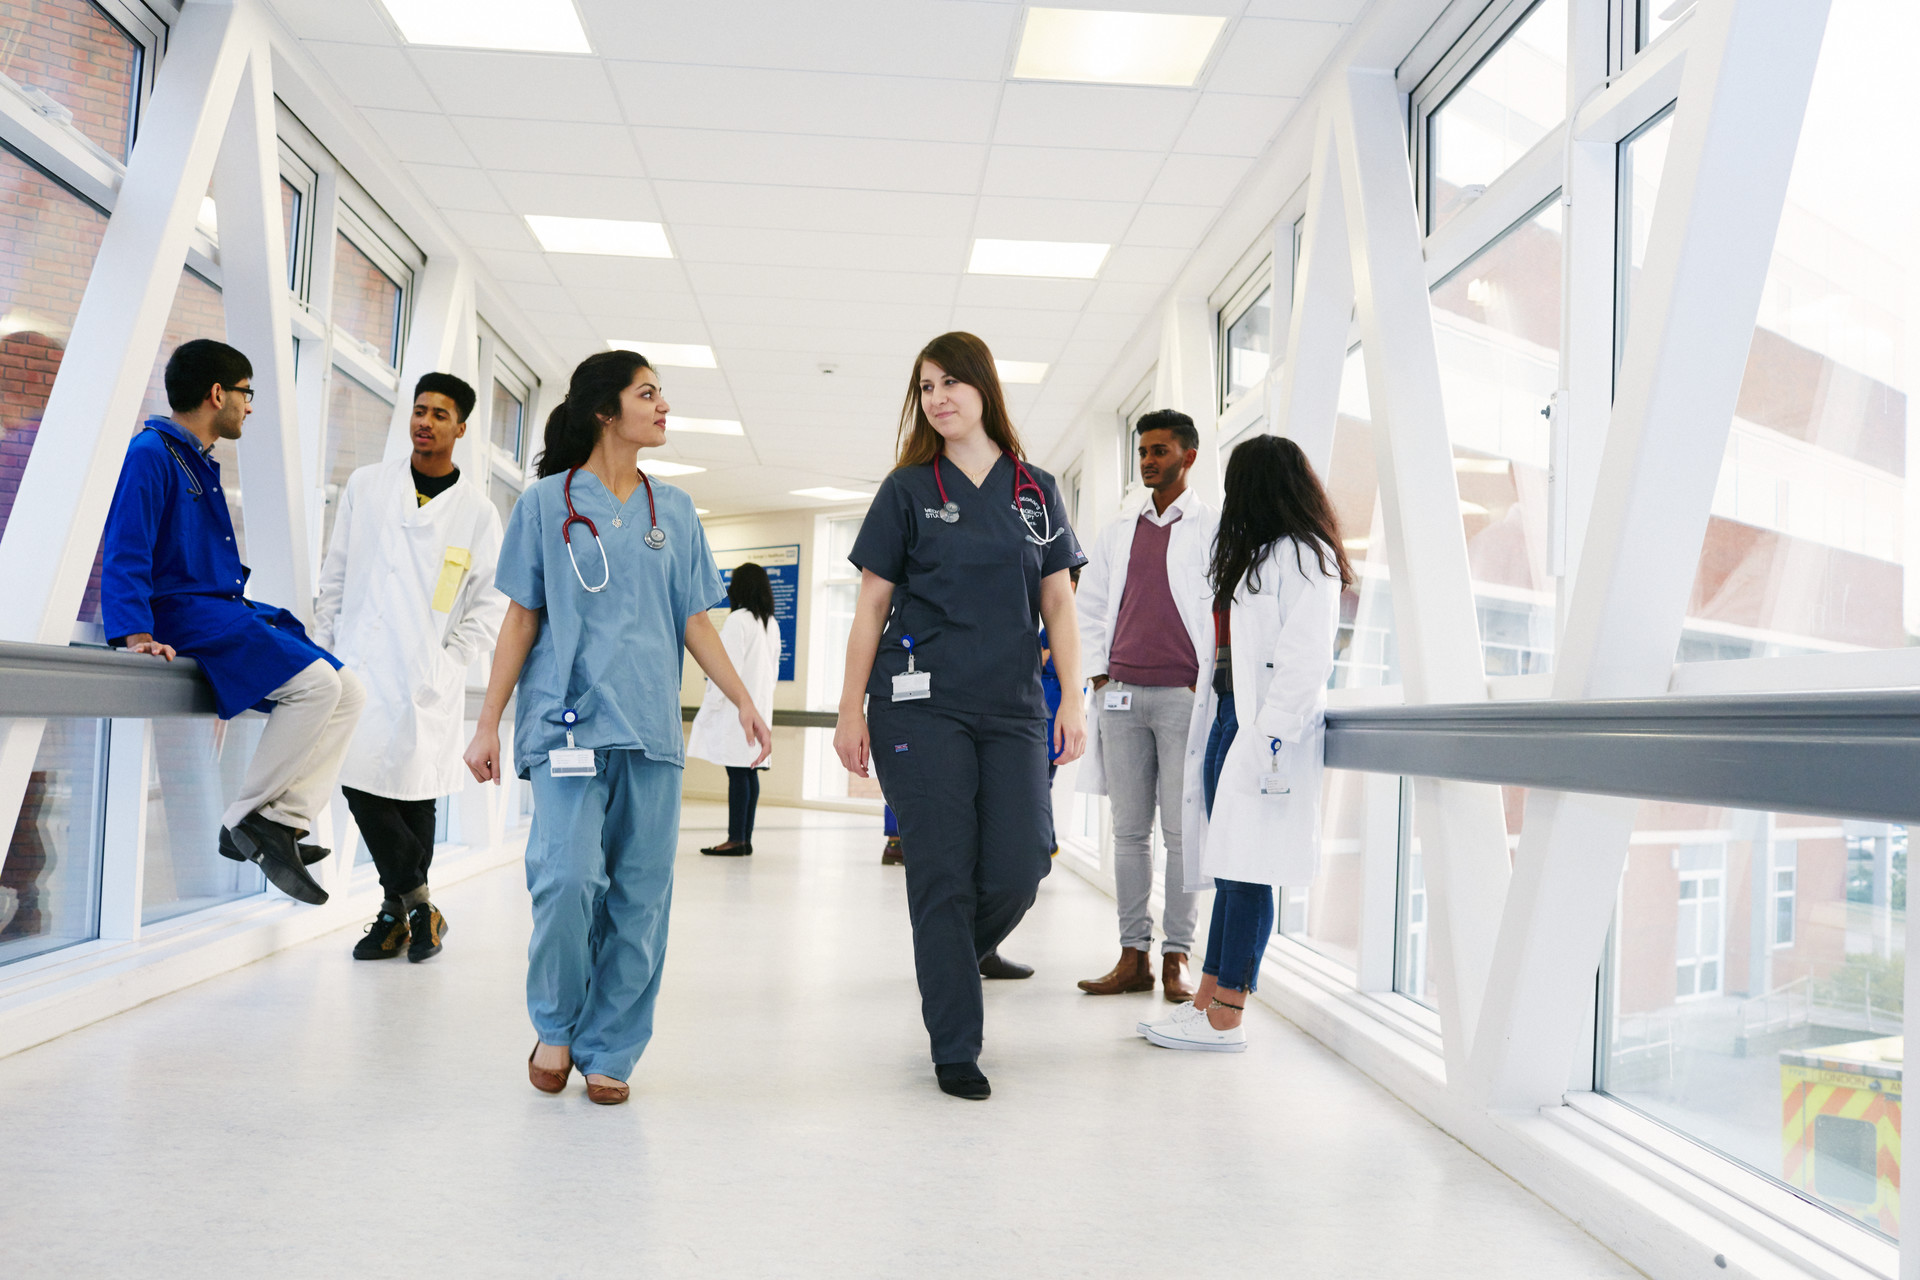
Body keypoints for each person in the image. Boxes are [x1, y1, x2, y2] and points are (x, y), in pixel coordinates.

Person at [464, 349, 770, 1106]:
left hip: (651, 732)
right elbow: (520, 619)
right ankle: (557, 1024)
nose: (663, 408)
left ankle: (612, 1047)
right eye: (648, 395)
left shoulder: (676, 511)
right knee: (566, 881)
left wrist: (739, 699)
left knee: (640, 897)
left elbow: (694, 620)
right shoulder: (544, 505)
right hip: (567, 728)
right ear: (607, 411)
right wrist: (487, 724)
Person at [834, 331, 1087, 1101]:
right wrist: (851, 711)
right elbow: (871, 604)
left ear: (983, 388)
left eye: (950, 382)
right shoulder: (909, 489)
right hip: (920, 706)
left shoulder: (1035, 490)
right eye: (925, 387)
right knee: (940, 871)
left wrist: (1072, 696)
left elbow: (1059, 603)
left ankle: (947, 962)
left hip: (1011, 706)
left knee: (1022, 862)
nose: (937, 398)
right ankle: (955, 1044)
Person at [102, 339, 363, 906]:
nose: (249, 406)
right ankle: (248, 820)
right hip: (186, 614)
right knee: (316, 685)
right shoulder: (152, 453)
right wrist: (135, 634)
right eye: (246, 394)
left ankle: (283, 822)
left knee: (349, 690)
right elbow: (126, 546)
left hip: (221, 609)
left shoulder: (196, 458)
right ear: (217, 393)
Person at [1138, 435, 1348, 1053]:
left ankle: (1227, 1015)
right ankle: (1205, 1000)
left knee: (1250, 869)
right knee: (1230, 862)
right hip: (1228, 717)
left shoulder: (1309, 558)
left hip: (1262, 731)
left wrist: (1270, 737)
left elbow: (1306, 660)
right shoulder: (1258, 554)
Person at [313, 372, 507, 962]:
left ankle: (393, 917)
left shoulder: (477, 514)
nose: (424, 421)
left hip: (426, 676)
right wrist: (324, 649)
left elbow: (490, 603)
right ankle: (422, 905)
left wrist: (448, 663)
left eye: (439, 414)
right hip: (357, 663)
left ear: (461, 428)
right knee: (358, 780)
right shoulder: (368, 486)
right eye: (419, 410)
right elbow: (337, 573)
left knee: (414, 794)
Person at [1074, 410, 1218, 1003]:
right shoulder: (1117, 529)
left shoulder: (1212, 525)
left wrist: (1199, 681)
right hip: (1123, 696)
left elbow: (1220, 604)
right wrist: (1102, 678)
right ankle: (1132, 955)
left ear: (1188, 456)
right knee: (1130, 832)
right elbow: (1092, 605)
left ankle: (1176, 958)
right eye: (1143, 452)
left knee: (1183, 834)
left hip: (1183, 696)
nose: (1149, 461)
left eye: (1160, 450)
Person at [690, 561, 780, 856]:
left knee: (739, 774)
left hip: (736, 710)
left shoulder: (738, 620)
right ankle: (744, 838)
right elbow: (773, 672)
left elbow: (724, 670)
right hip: (759, 707)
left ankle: (736, 839)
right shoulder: (770, 622)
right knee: (748, 773)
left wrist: (711, 707)